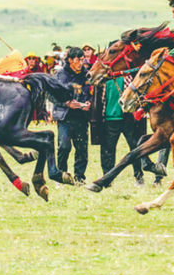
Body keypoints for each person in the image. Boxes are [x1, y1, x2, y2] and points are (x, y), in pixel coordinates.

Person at [53, 47, 92, 184]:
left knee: (82, 149)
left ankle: (79, 177)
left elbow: (92, 93)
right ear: (70, 60)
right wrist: (66, 103)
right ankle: (61, 176)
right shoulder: (60, 74)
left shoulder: (87, 74)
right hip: (65, 117)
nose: (81, 63)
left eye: (82, 60)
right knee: (64, 147)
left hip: (82, 116)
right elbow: (51, 94)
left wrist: (89, 102)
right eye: (77, 60)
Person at [99, 75, 145, 186]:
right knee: (108, 150)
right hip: (110, 118)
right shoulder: (106, 79)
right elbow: (102, 99)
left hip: (126, 117)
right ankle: (108, 177)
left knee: (134, 146)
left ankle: (139, 176)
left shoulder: (128, 78)